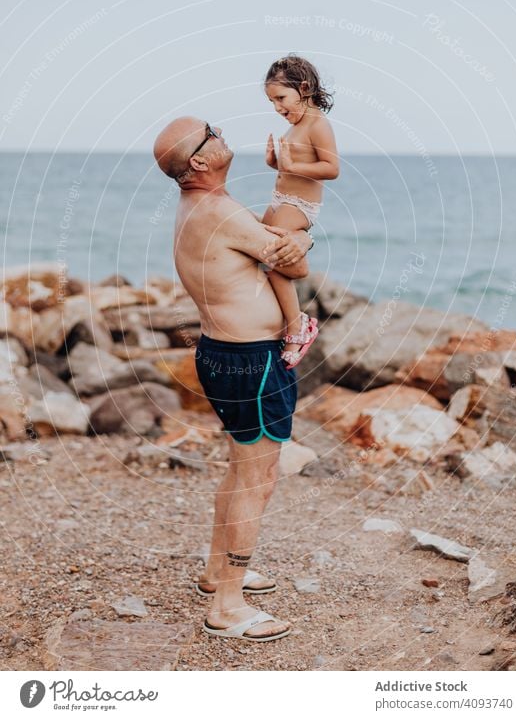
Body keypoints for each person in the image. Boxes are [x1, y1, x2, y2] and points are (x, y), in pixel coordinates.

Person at [153, 116, 314, 642]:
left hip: (222, 353)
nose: (221, 134)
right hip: (253, 362)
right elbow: (293, 267)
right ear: (199, 161)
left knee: (239, 469)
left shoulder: (194, 208)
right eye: (211, 132)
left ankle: (218, 572)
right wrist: (302, 239)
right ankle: (227, 605)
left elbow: (272, 253)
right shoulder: (221, 212)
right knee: (256, 480)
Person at [263, 55, 339, 368]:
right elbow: (290, 169)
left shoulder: (317, 124)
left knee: (271, 260)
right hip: (280, 199)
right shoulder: (295, 126)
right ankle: (279, 319)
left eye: (281, 98)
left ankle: (298, 326)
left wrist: (293, 165)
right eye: (272, 101)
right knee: (256, 253)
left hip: (300, 206)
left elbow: (332, 167)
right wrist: (275, 163)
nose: (278, 108)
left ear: (304, 88)